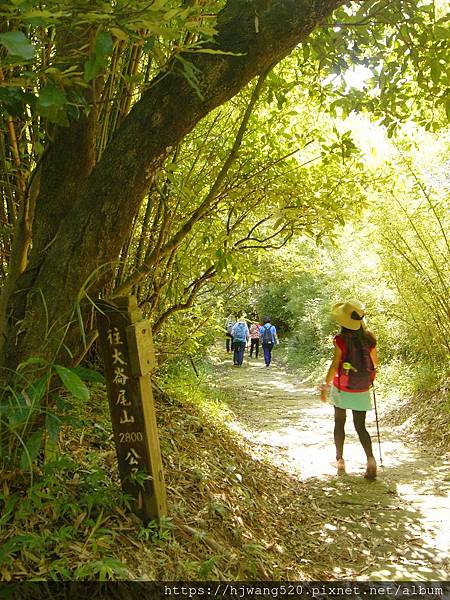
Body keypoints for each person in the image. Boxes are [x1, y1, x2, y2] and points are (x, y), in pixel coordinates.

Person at [320, 300, 379, 479]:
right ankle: (370, 459)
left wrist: (325, 384)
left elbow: (335, 364)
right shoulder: (370, 338)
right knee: (361, 427)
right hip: (362, 387)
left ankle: (340, 460)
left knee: (339, 422)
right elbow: (375, 363)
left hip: (342, 386)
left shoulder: (341, 339)